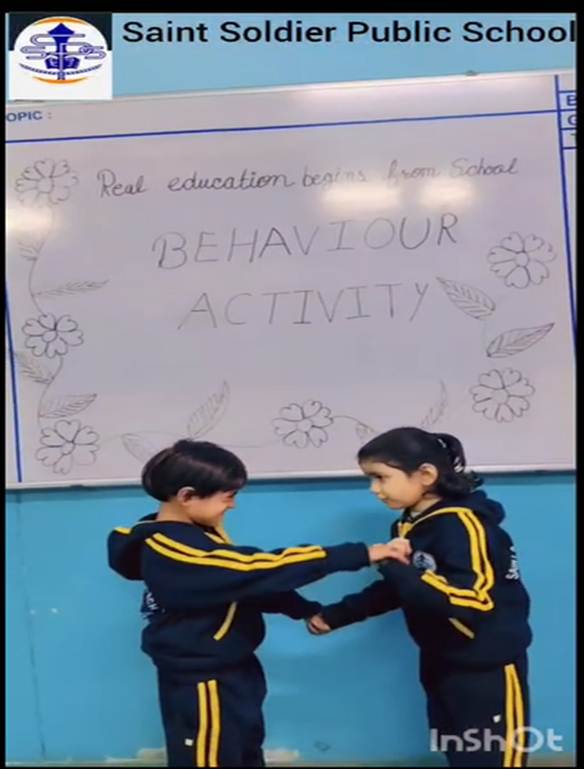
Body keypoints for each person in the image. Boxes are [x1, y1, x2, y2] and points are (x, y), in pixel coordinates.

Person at [107, 439, 407, 768]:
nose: (232, 506)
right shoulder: (172, 549)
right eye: (228, 496)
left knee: (244, 750)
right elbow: (255, 569)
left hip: (233, 668)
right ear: (187, 496)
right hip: (203, 679)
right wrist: (360, 554)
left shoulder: (199, 536)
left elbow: (242, 586)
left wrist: (304, 610)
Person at [307, 426, 532, 768]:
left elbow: (474, 602)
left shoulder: (464, 525)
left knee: (491, 758)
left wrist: (396, 567)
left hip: (487, 668)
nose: (374, 489)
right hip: (441, 658)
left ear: (426, 475)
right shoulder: (409, 524)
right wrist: (339, 614)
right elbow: (406, 589)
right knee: (459, 752)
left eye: (381, 477)